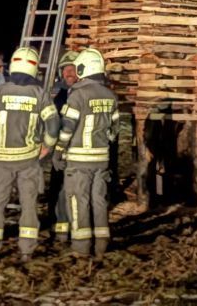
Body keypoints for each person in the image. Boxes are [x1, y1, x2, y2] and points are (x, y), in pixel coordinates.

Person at [0, 46, 57, 260]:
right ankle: (26, 250)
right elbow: (52, 125)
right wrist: (46, 147)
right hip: (29, 160)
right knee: (29, 204)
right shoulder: (39, 94)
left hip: (2, 159)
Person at [57, 48, 117, 259]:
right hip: (101, 159)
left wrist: (58, 151)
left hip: (79, 159)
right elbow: (114, 130)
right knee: (99, 200)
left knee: (78, 200)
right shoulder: (110, 95)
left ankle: (81, 247)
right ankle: (102, 243)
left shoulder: (77, 95)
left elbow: (67, 128)